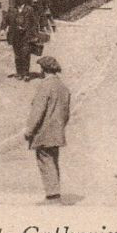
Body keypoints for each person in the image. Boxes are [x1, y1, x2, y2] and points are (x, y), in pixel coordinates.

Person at [24, 55, 72, 202]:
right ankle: (55, 193)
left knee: (45, 161)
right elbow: (66, 113)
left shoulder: (45, 86)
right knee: (53, 160)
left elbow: (38, 111)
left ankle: (53, 196)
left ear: (43, 70)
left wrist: (29, 130)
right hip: (57, 131)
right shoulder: (63, 87)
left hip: (44, 131)